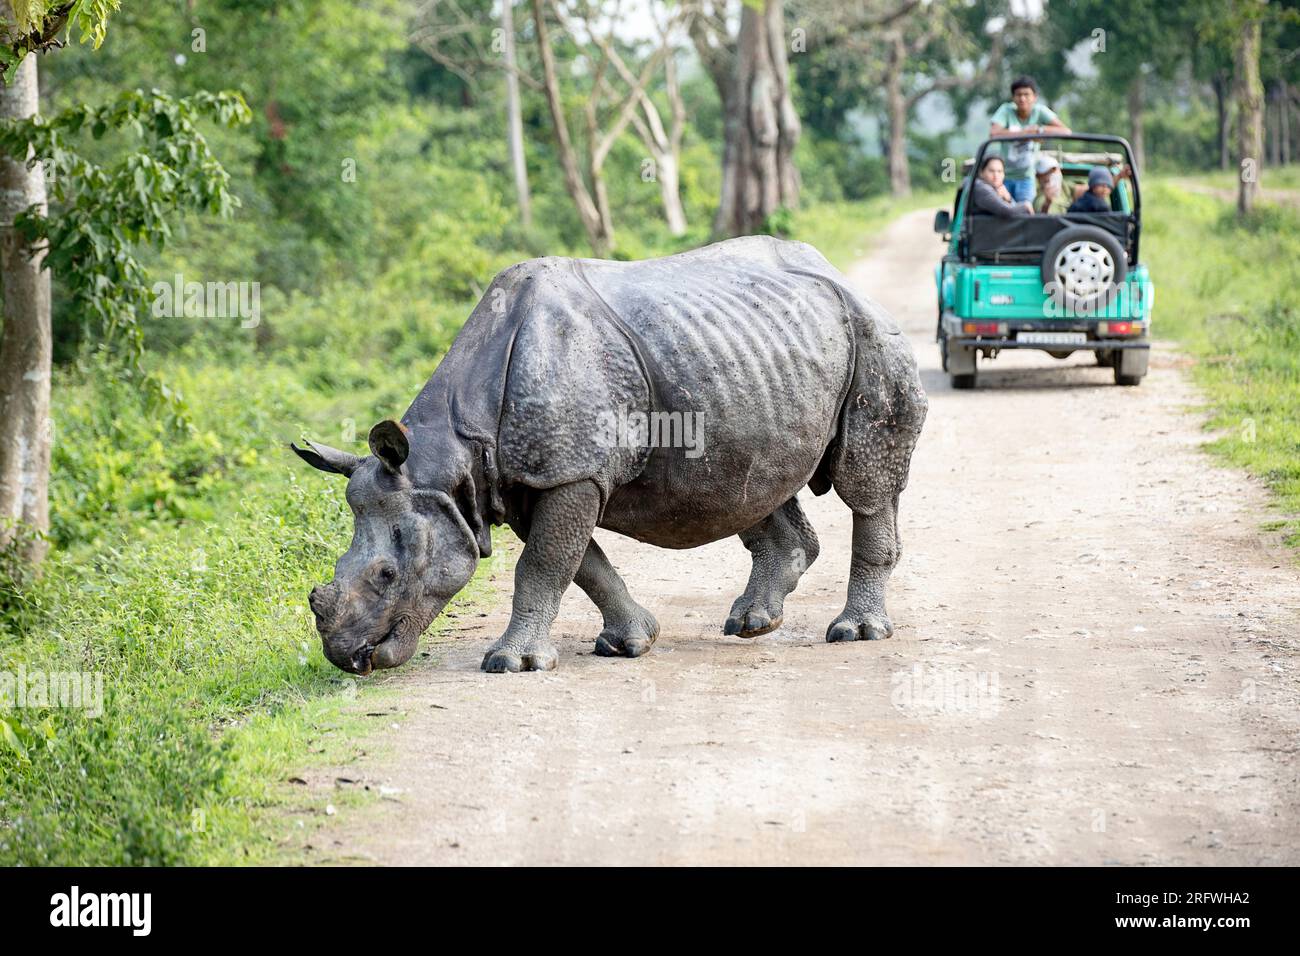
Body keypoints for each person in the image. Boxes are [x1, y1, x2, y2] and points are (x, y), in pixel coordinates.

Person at [989, 75, 1071, 204]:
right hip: (1002, 176)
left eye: (1026, 94)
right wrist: (1026, 132)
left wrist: (1039, 130)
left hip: (1026, 177)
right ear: (1013, 98)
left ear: (1034, 97)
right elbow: (994, 134)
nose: (1022, 98)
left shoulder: (1039, 111)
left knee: (1026, 214)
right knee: (1003, 214)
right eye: (1018, 94)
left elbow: (1065, 131)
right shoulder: (1006, 110)